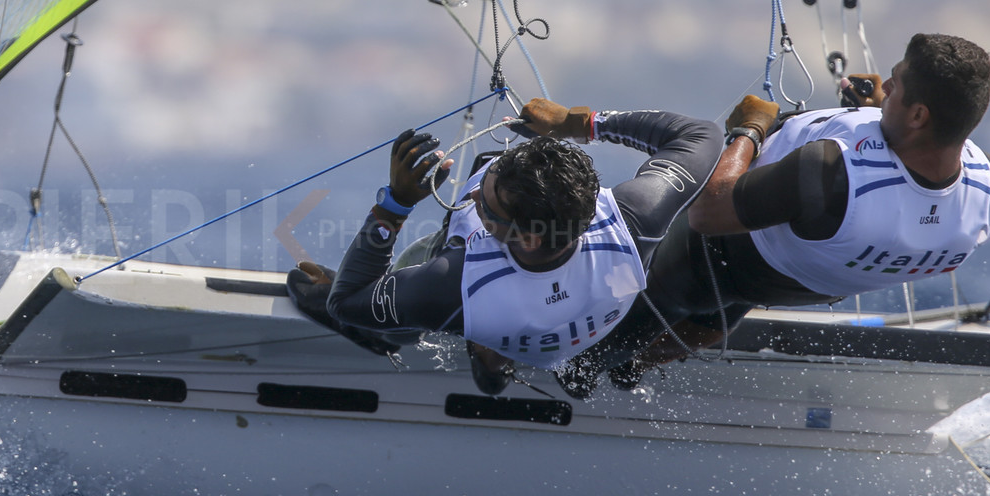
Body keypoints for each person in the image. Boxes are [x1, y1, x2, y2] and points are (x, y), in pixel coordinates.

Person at [571, 32, 990, 392]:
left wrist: (749, 129)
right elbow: (915, 184)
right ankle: (636, 366)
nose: (887, 86)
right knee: (712, 316)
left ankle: (579, 370)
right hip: (795, 280)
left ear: (919, 115)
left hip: (705, 260)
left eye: (896, 83)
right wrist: (883, 108)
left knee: (596, 347)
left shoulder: (828, 175)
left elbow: (709, 210)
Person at [286, 99, 719, 394]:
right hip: (585, 329)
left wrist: (394, 206)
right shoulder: (634, 216)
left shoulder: (453, 282)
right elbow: (700, 135)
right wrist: (579, 123)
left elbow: (347, 303)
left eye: (485, 204)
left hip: (506, 317)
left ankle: (478, 354)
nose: (474, 196)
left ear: (529, 237)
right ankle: (498, 360)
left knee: (407, 306)